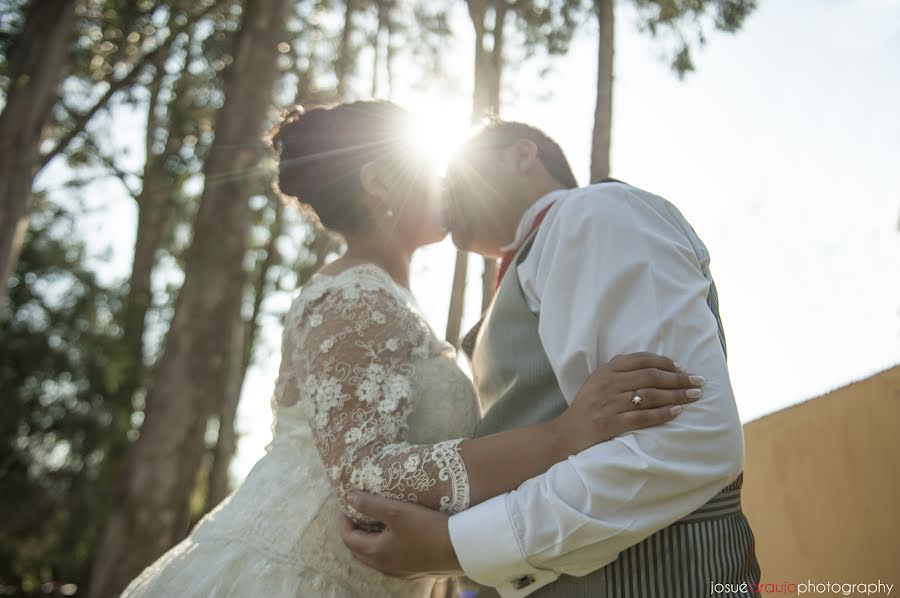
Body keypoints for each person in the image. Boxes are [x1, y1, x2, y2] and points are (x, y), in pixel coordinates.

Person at [118, 102, 703, 598]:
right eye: (433, 169)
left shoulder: (394, 303)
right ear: (378, 181)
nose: (449, 186)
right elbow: (364, 470)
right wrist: (559, 438)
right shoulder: (354, 294)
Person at [340, 119, 761, 597]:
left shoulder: (594, 214)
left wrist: (455, 546)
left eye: (457, 173)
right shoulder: (531, 267)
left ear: (522, 155)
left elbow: (684, 441)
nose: (443, 191)